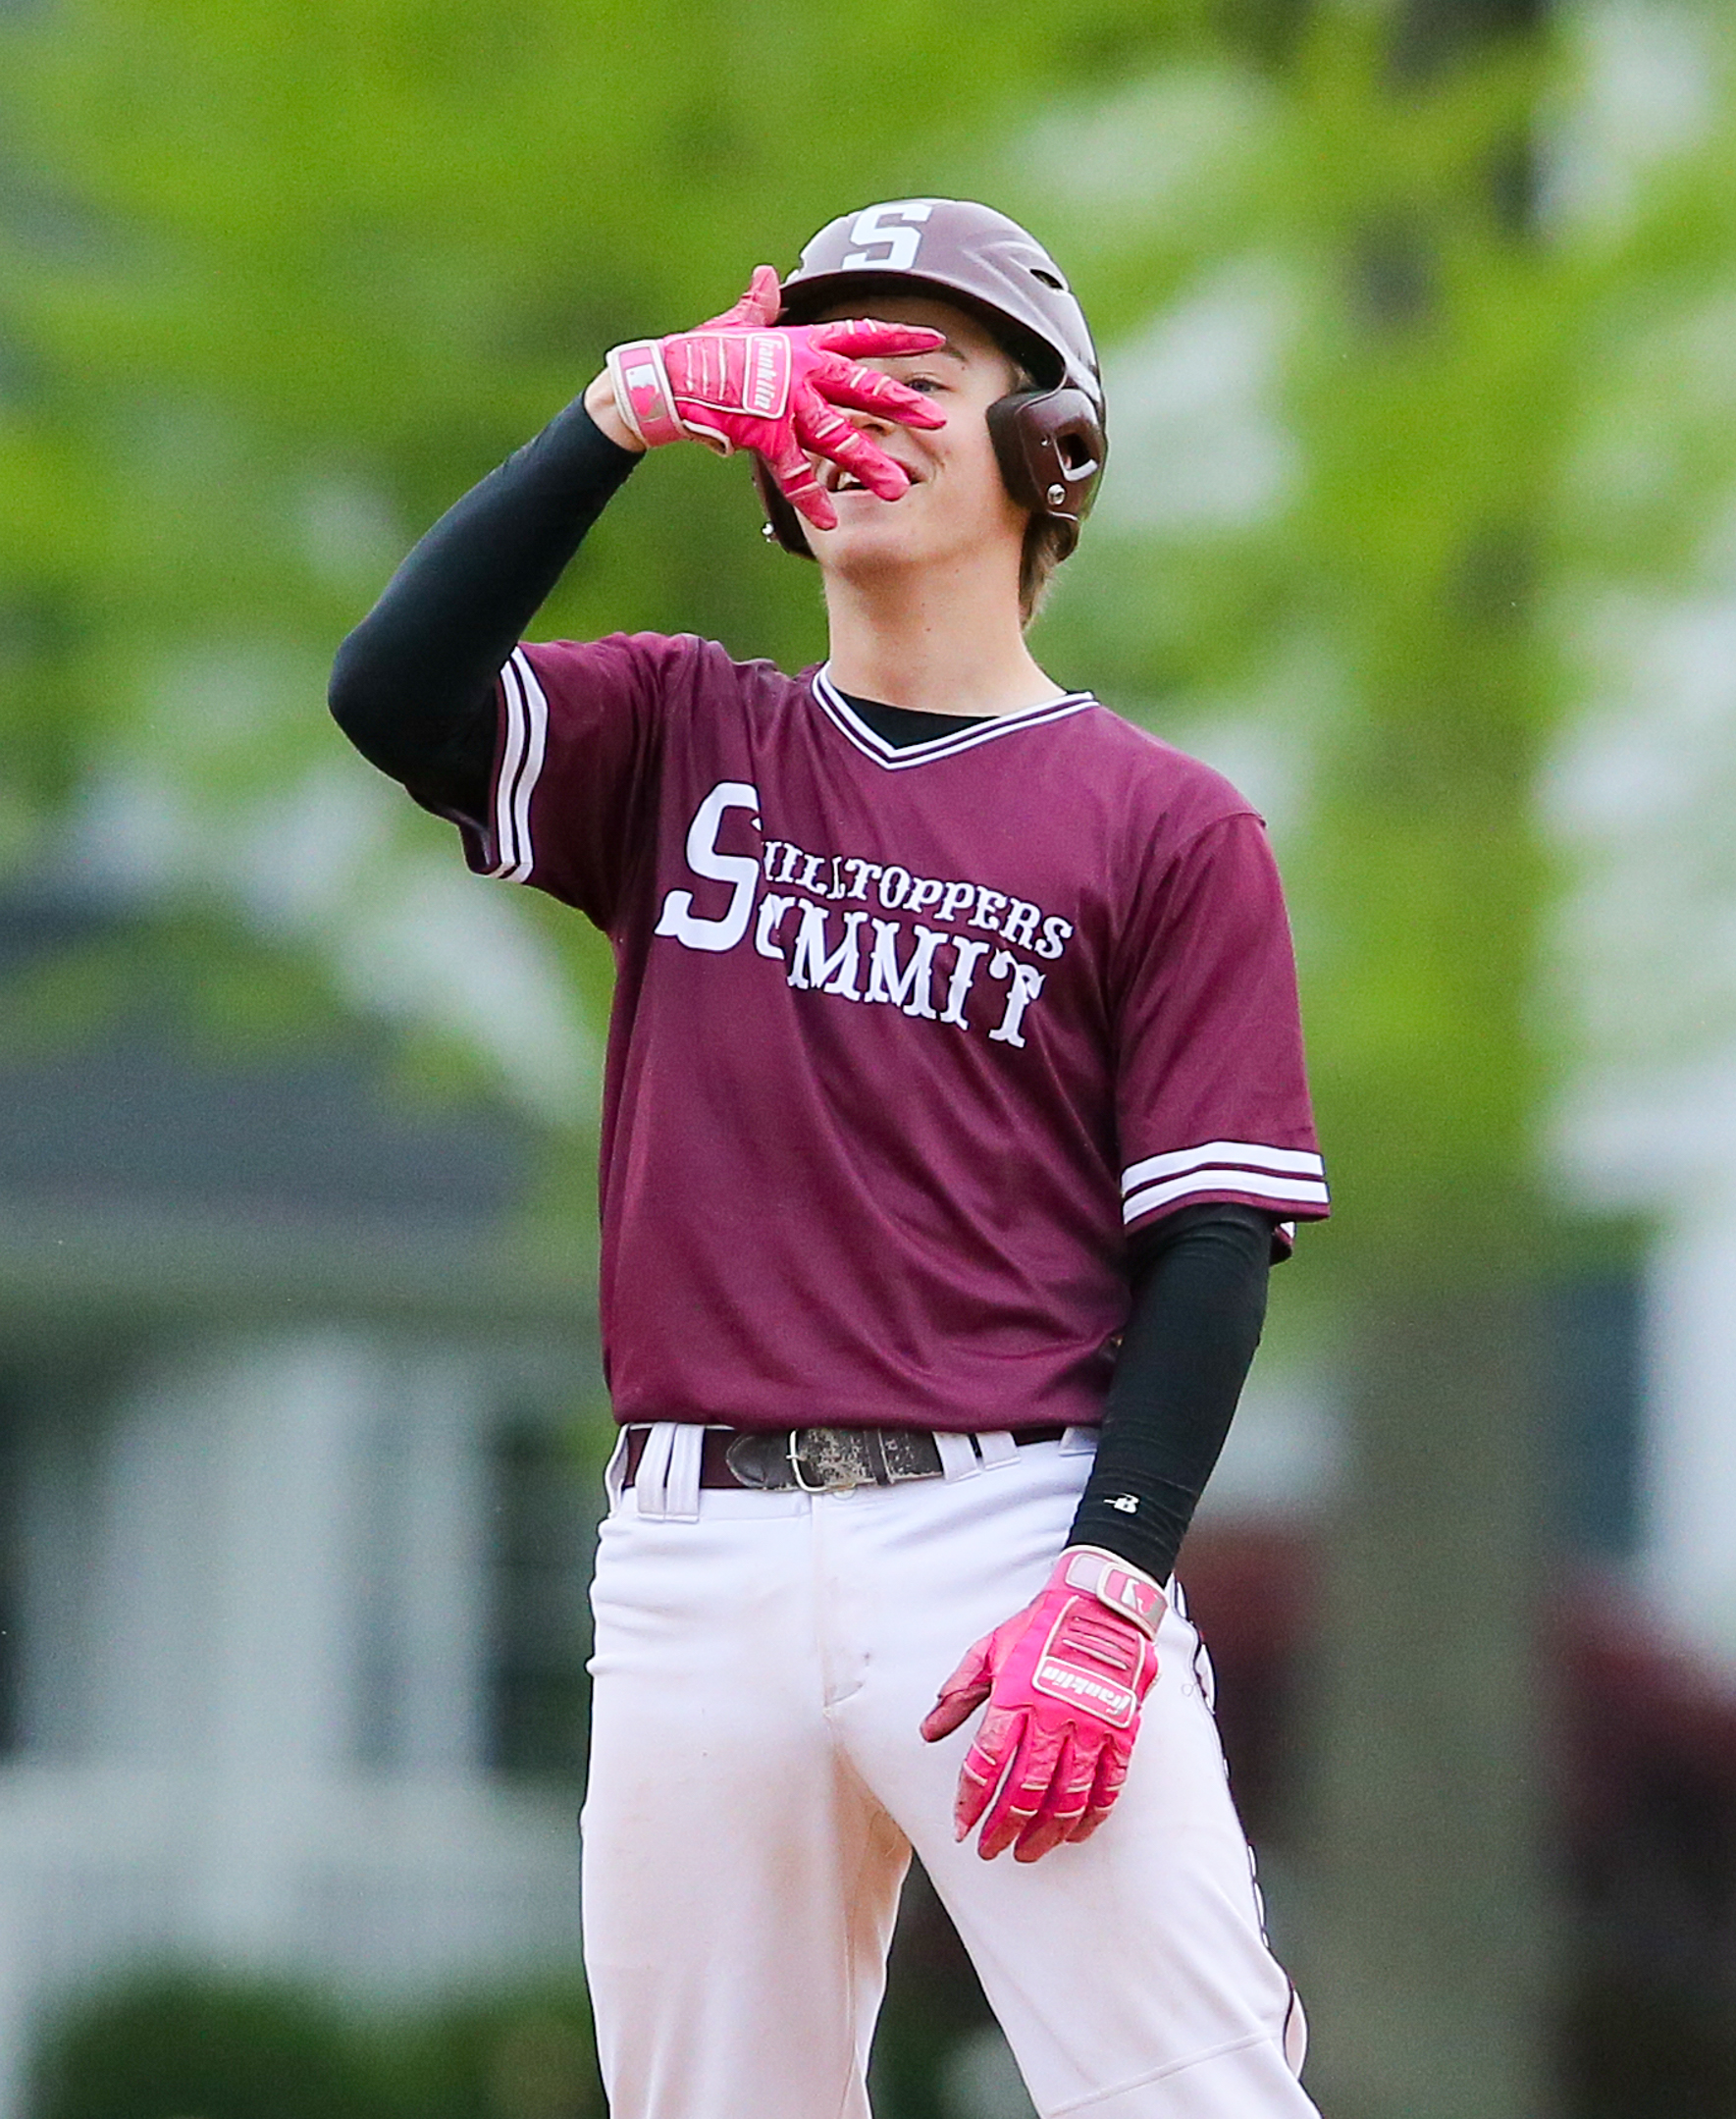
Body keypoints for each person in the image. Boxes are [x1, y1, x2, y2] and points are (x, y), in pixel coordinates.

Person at [329, 196, 1331, 2119]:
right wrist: (624, 412)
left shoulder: (1166, 827)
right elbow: (394, 694)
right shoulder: (685, 733)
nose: (849, 409)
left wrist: (1111, 1587)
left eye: (916, 373)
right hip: (691, 1549)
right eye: (819, 374)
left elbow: (1208, 1241)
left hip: (1003, 1538)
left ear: (1054, 453)